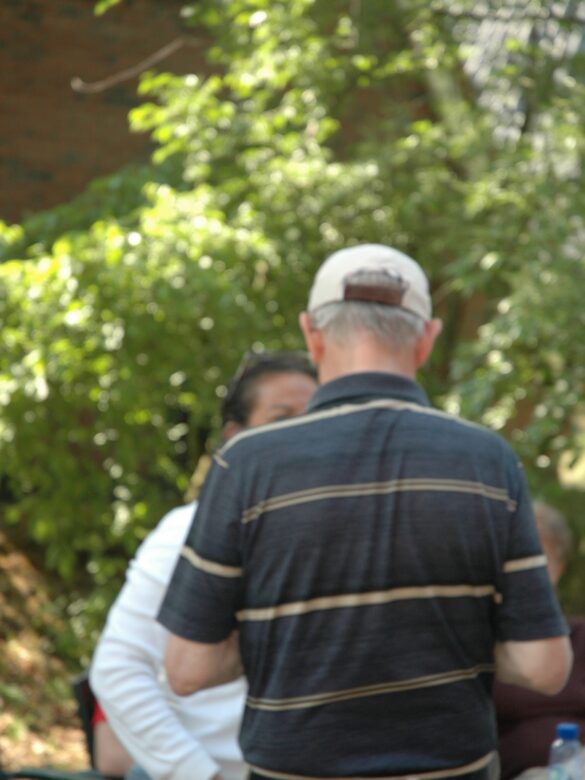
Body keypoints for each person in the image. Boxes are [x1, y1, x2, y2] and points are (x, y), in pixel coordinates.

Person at [158, 244, 572, 780]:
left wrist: (284, 634)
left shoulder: (247, 463)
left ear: (312, 334)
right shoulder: (488, 460)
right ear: (426, 340)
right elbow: (545, 667)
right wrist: (447, 637)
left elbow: (186, 669)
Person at [90, 351, 318, 780]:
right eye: (281, 419)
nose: (301, 438)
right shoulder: (187, 532)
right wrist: (195, 773)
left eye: (314, 420)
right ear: (235, 436)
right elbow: (118, 667)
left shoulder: (342, 533)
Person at [494, 502, 585, 780]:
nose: (525, 576)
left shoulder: (581, 635)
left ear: (560, 566)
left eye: (536, 560)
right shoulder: (483, 644)